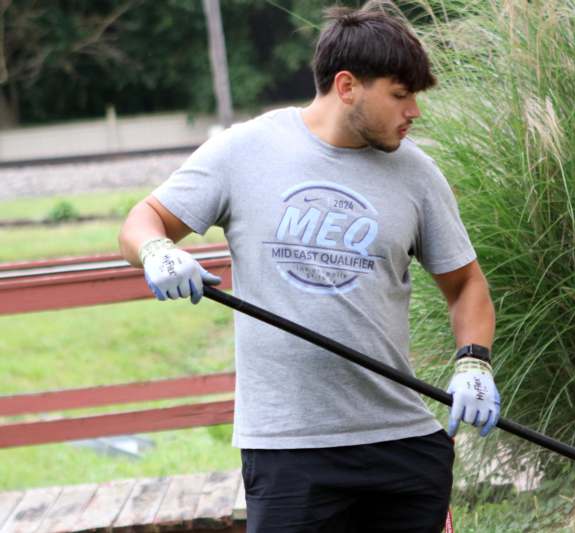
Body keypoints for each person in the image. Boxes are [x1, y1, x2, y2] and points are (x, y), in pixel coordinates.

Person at [118, 4, 499, 532]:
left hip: (401, 444)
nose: (414, 111)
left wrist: (474, 363)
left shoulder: (417, 174)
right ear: (347, 87)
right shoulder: (243, 151)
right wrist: (157, 251)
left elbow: (466, 285)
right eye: (400, 94)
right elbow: (142, 220)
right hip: (289, 449)